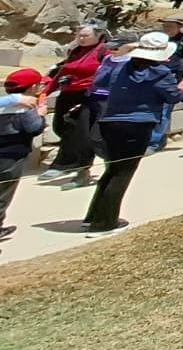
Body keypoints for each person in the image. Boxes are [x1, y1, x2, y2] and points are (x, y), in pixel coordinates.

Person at [85, 32, 182, 234]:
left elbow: (100, 82)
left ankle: (94, 215)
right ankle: (106, 222)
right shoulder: (160, 72)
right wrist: (181, 89)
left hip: (111, 122)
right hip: (138, 125)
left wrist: (116, 57)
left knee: (112, 169)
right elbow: (173, 97)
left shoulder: (120, 67)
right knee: (123, 172)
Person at [41, 24, 109, 183]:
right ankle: (69, 162)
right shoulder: (75, 51)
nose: (81, 38)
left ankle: (76, 167)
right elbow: (62, 72)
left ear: (98, 36)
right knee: (61, 127)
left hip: (89, 95)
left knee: (81, 132)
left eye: (85, 35)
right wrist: (46, 91)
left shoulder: (104, 52)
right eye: (80, 35)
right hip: (68, 93)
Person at [0, 70, 48, 245]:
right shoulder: (24, 107)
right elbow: (33, 128)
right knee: (3, 193)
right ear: (33, 87)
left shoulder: (3, 104)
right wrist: (40, 115)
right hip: (11, 156)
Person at [148, 15, 183, 153]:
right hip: (154, 77)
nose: (167, 29)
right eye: (165, 26)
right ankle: (158, 141)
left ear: (179, 27)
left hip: (172, 78)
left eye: (170, 26)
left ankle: (154, 143)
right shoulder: (160, 39)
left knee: (164, 111)